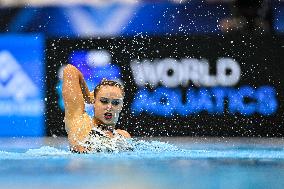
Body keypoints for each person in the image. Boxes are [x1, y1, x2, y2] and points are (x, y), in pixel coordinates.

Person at [62, 64, 131, 153]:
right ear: (94, 102)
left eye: (115, 103)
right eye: (104, 101)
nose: (109, 107)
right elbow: (70, 70)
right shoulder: (80, 124)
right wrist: (88, 96)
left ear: (121, 106)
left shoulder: (123, 136)